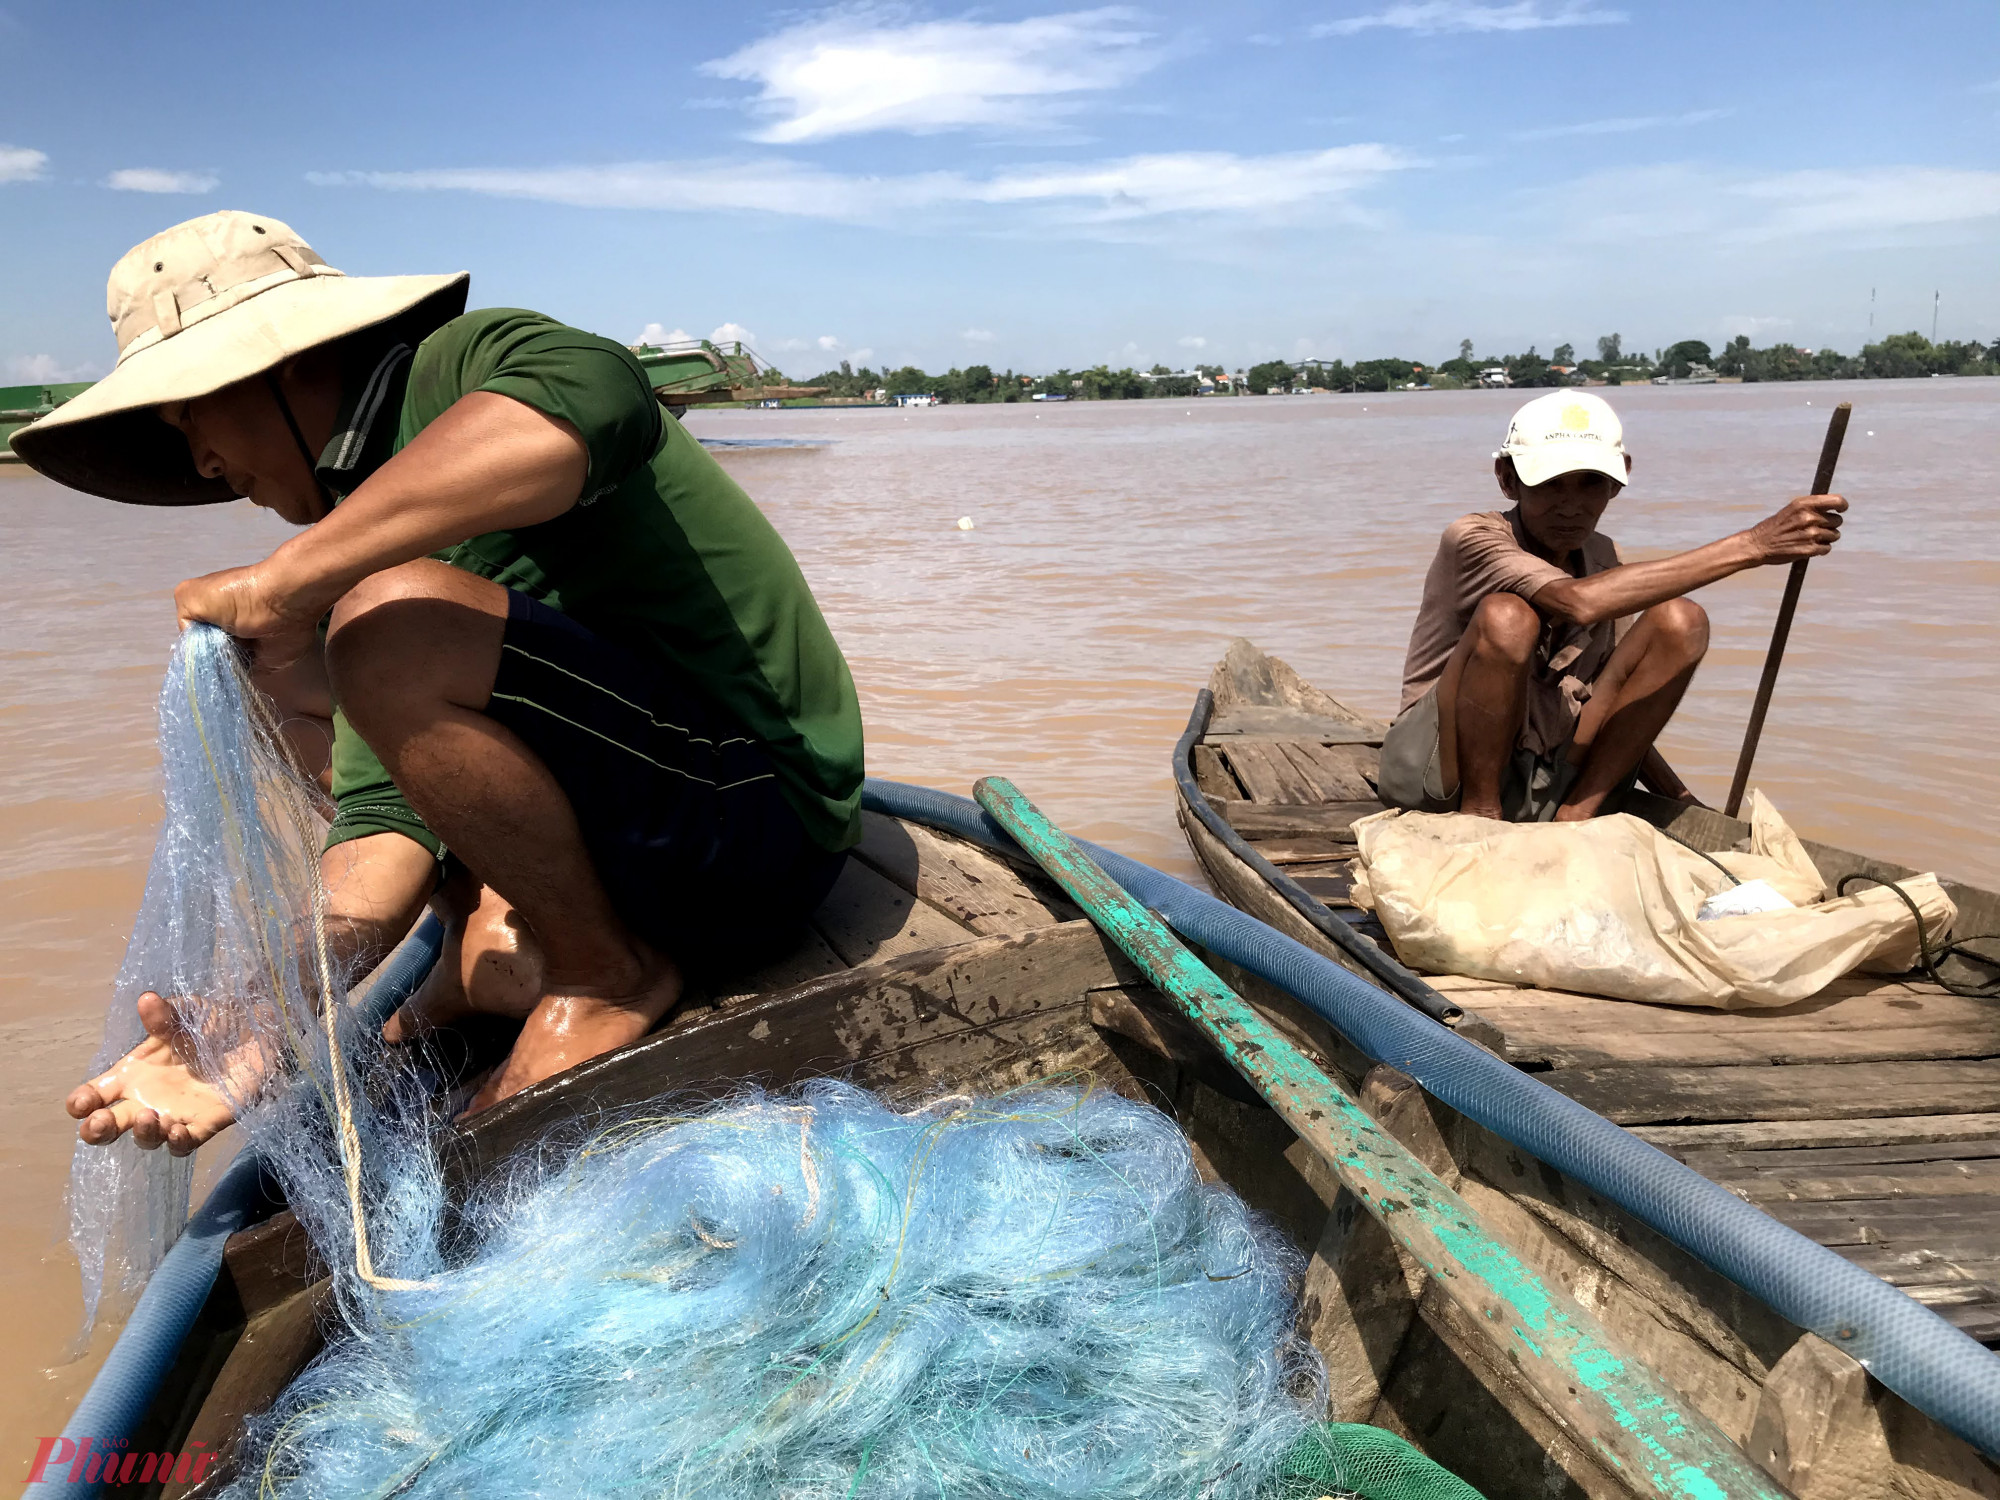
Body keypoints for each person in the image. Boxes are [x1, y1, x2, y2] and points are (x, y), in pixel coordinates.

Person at [12, 211, 865, 1154]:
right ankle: (481, 936)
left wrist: (282, 581)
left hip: (758, 826)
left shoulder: (463, 361)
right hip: (643, 827)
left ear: (280, 365)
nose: (201, 462)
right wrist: (262, 1022)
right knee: (276, 665)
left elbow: (592, 404)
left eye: (192, 417)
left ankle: (604, 975)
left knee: (387, 623)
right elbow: (383, 826)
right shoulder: (355, 531)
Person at [1375, 390, 1846, 823]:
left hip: (1543, 772)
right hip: (1438, 771)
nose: (1571, 505)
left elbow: (1614, 695)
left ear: (1618, 482)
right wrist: (1754, 545)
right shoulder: (1474, 538)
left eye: (1590, 484)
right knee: (1507, 617)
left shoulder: (1602, 556)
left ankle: (1575, 817)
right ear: (1507, 480)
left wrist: (1681, 801)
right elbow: (1577, 602)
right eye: (1550, 485)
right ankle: (1480, 820)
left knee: (1680, 620)